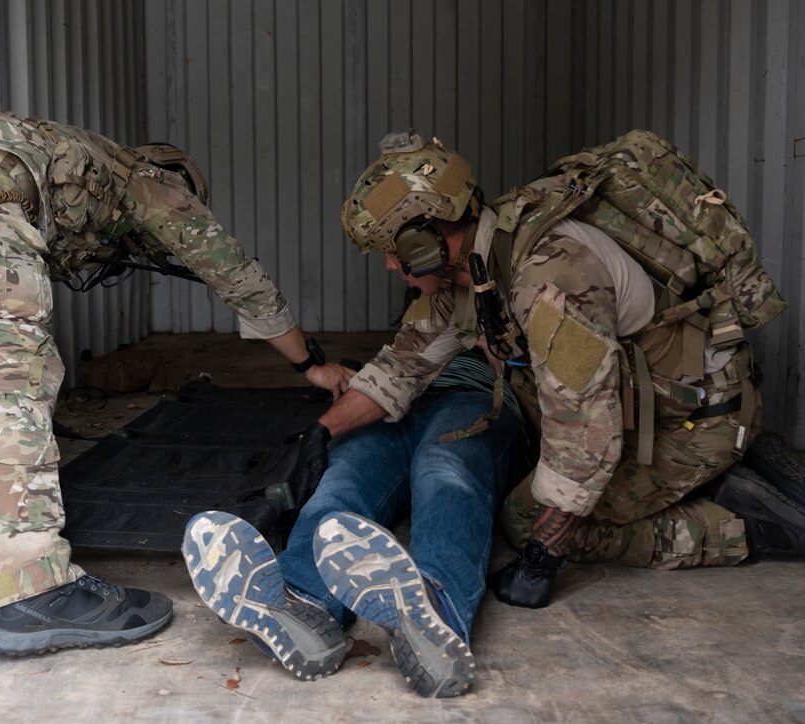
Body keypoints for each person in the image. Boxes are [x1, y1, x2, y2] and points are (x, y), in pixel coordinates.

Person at [0, 110, 354, 657]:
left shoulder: (83, 155)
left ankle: (0, 516)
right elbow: (234, 272)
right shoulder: (151, 182)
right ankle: (34, 590)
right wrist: (309, 364)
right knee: (14, 374)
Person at [329, 128, 805, 612]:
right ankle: (711, 484)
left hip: (694, 422)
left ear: (426, 240)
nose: (390, 265)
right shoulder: (475, 267)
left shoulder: (549, 277)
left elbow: (587, 433)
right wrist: (318, 437)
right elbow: (400, 368)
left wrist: (542, 554)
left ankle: (743, 529)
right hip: (652, 414)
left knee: (521, 518)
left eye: (393, 250)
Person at [184, 328, 533, 700]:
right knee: (343, 479)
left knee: (445, 471)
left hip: (476, 398)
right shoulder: (420, 323)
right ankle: (299, 597)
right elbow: (388, 377)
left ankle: (435, 610)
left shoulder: (506, 307)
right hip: (393, 405)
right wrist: (319, 433)